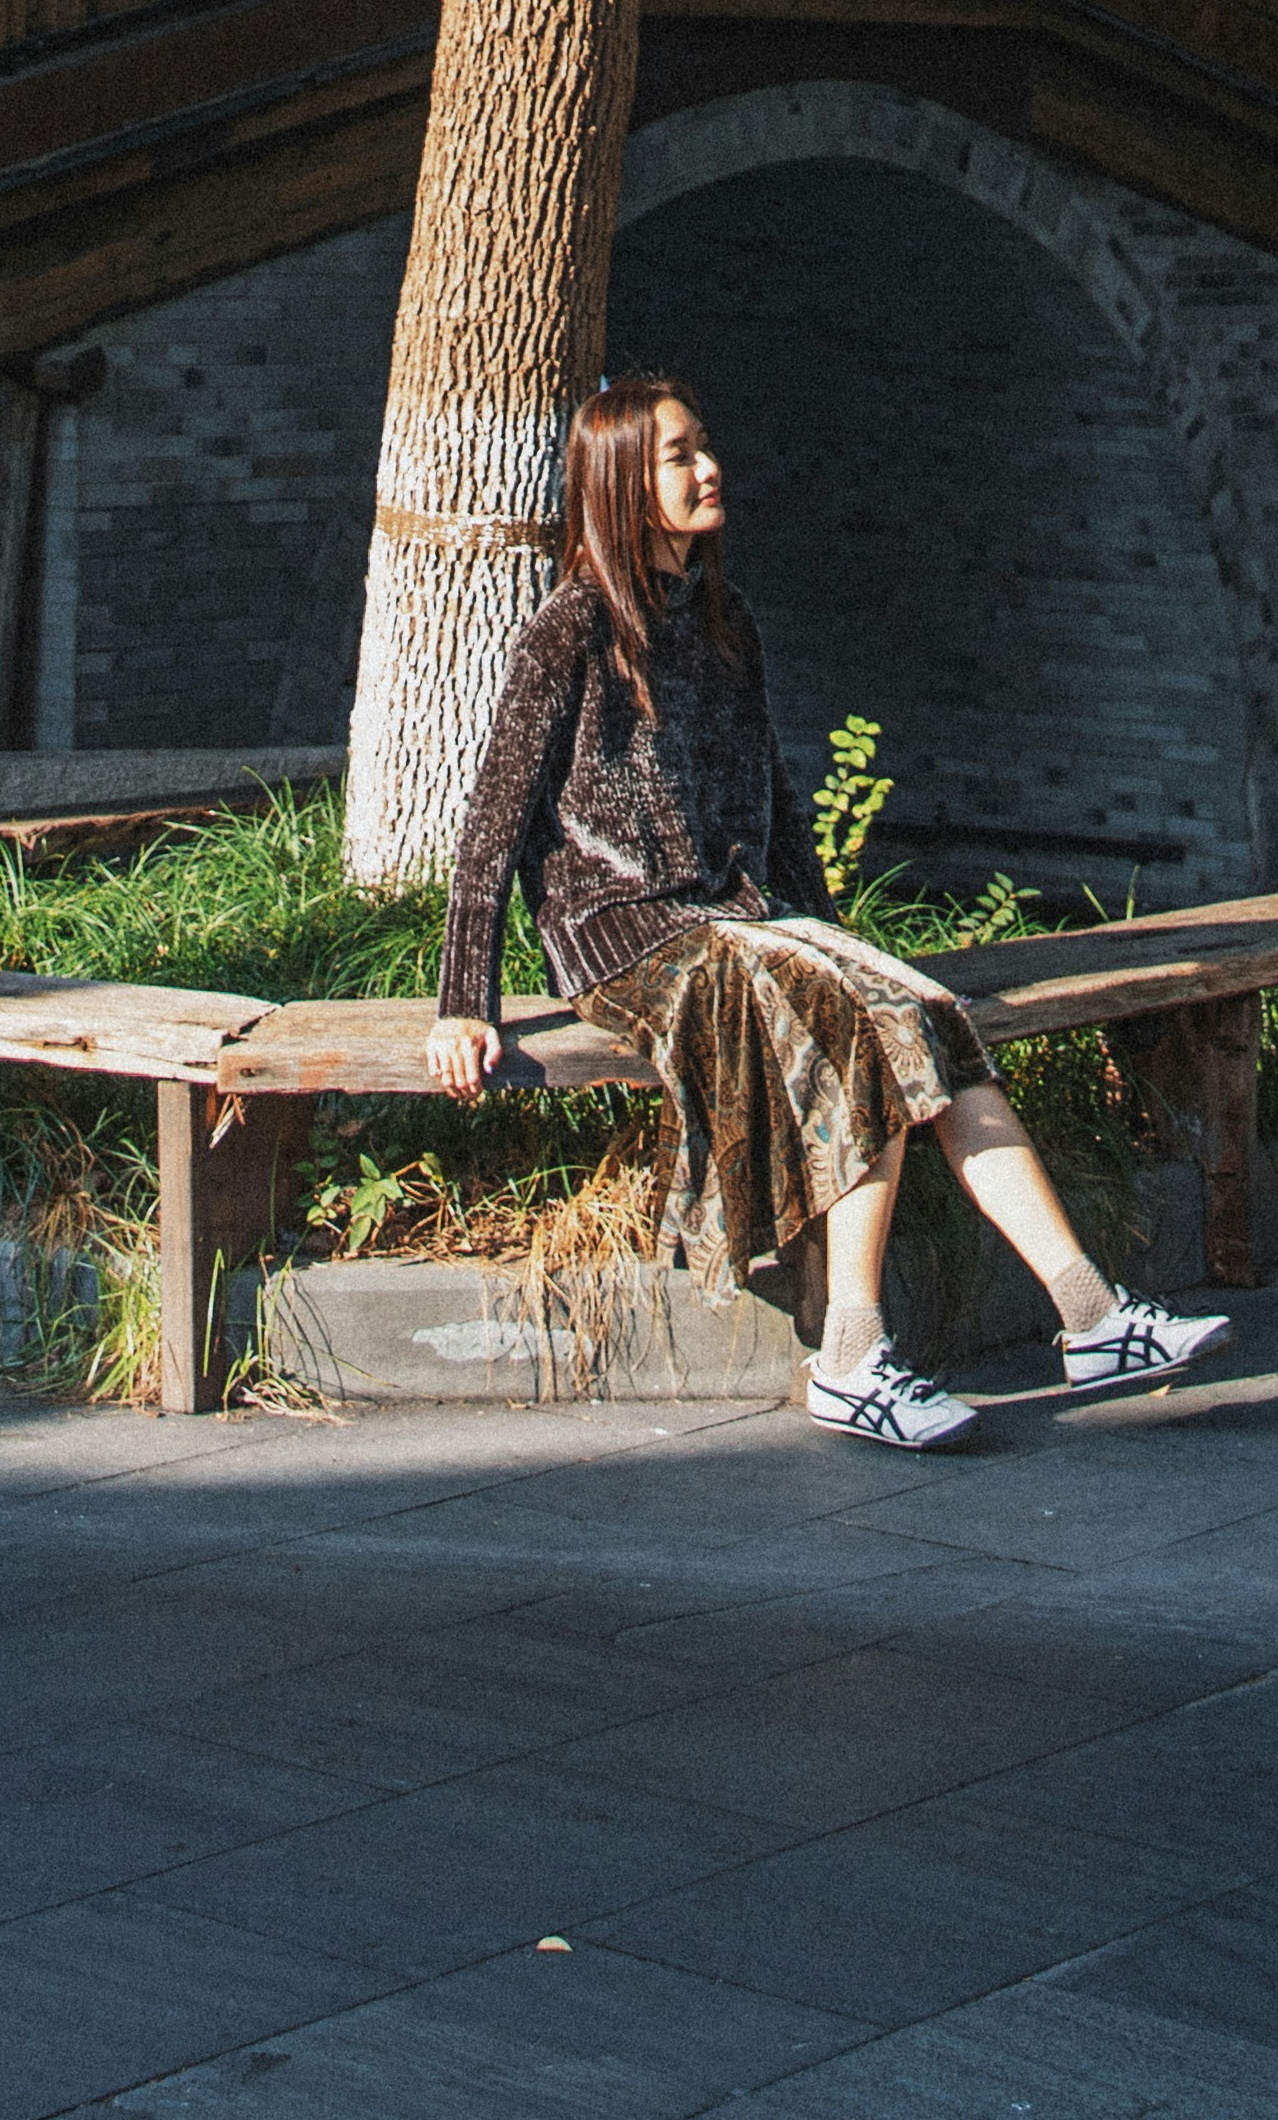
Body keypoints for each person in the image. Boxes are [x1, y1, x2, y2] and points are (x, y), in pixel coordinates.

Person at [426, 368, 1229, 1450]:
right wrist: (459, 1001)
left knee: (932, 1015)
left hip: (735, 920)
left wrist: (829, 932)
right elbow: (493, 822)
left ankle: (1092, 1317)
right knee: (864, 1031)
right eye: (678, 455)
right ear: (621, 481)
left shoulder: (722, 620)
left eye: (704, 446)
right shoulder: (569, 630)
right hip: (624, 936)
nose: (709, 469)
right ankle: (850, 1358)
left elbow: (775, 798)